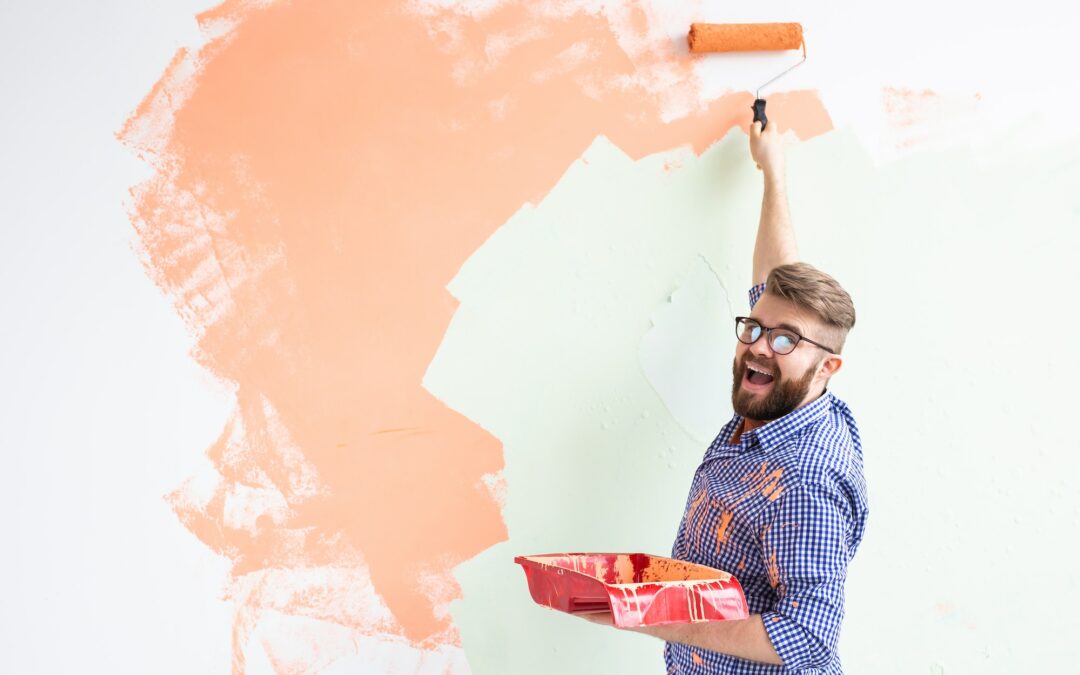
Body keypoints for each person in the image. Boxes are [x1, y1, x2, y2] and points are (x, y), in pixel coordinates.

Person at [581, 116, 868, 674]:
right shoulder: (793, 398)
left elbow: (807, 637)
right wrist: (773, 171)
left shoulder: (805, 480)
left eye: (785, 340)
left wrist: (644, 612)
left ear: (828, 366)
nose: (759, 347)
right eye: (755, 328)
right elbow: (774, 276)